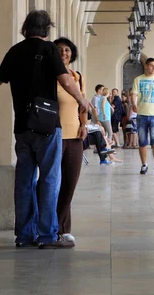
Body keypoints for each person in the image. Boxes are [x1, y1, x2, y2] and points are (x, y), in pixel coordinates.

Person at [0, 10, 89, 249]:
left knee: (24, 180)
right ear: (46, 30)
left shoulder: (15, 51)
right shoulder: (48, 49)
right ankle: (47, 235)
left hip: (22, 125)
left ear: (26, 28)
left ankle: (23, 234)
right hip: (47, 125)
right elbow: (65, 80)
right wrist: (82, 99)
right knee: (50, 179)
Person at [54, 37, 87, 243]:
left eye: (67, 50)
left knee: (70, 182)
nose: (64, 53)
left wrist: (84, 125)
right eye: (59, 50)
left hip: (75, 136)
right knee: (52, 183)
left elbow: (82, 104)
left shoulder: (78, 76)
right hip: (54, 134)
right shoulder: (50, 75)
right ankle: (51, 225)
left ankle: (63, 227)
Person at [131, 58, 154, 175]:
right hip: (141, 114)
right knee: (142, 141)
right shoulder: (138, 79)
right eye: (151, 66)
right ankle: (144, 164)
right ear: (146, 66)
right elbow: (134, 94)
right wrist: (133, 104)